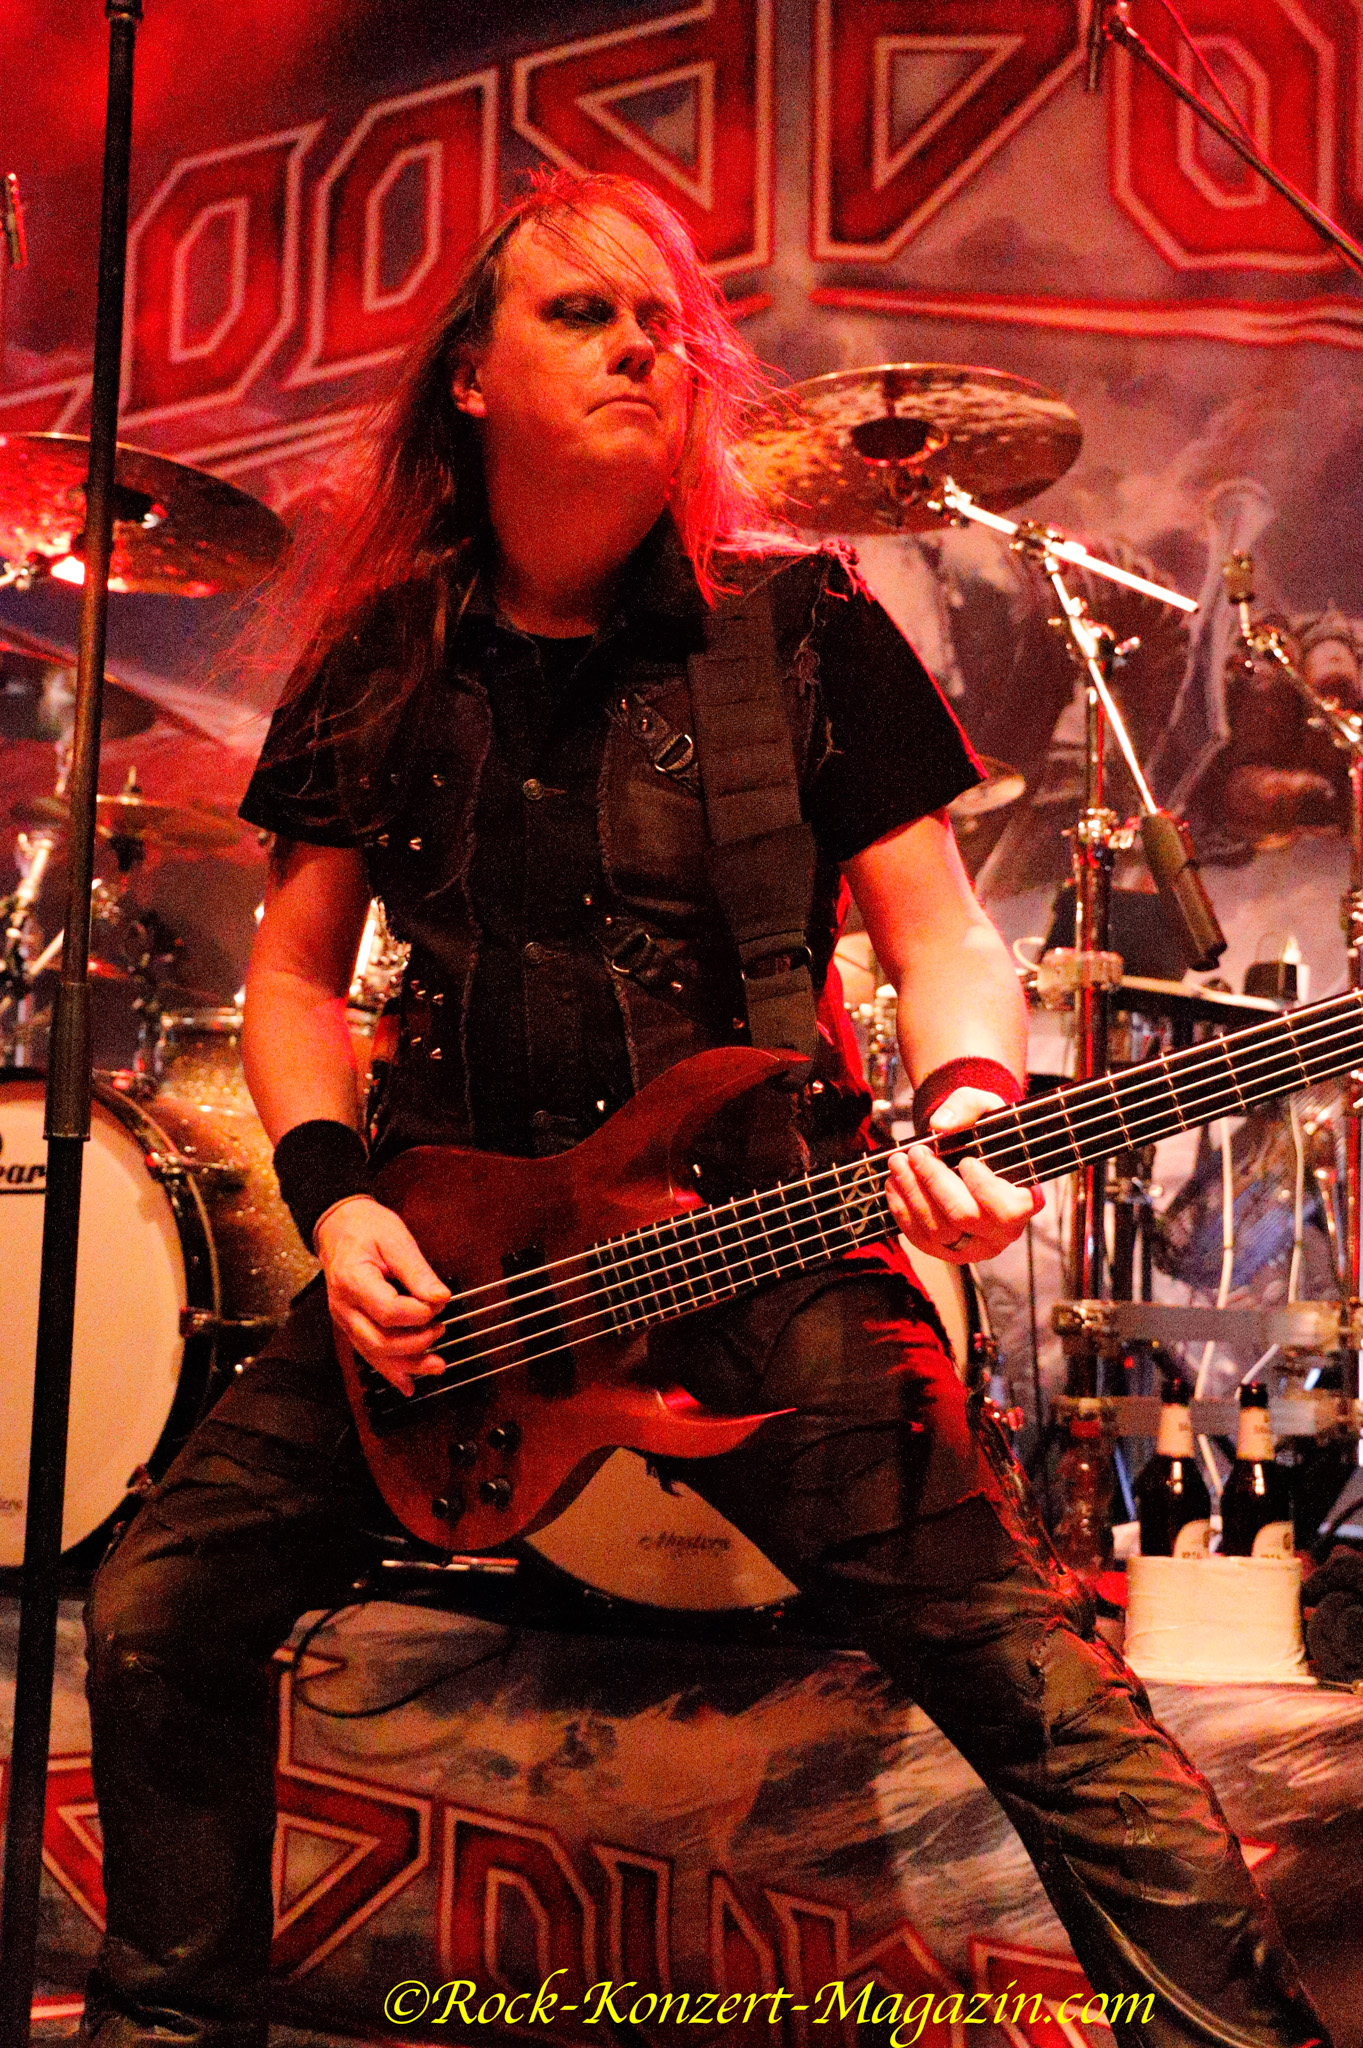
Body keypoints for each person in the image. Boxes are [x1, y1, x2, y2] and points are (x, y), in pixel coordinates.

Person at [81, 171, 1329, 2048]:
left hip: (764, 1243)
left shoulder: (801, 628)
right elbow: (294, 978)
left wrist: (969, 1099)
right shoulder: (388, 654)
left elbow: (943, 938)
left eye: (664, 320)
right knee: (162, 1602)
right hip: (464, 1278)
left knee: (1027, 1678)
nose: (641, 346)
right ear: (472, 378)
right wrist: (339, 1205)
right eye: (582, 314)